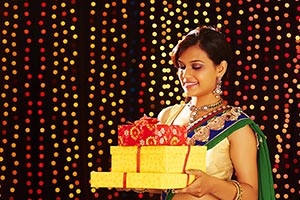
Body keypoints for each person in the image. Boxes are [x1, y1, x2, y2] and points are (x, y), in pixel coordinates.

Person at [153, 25, 276, 200]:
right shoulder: (167, 116)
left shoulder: (236, 125)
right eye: (181, 66)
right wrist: (134, 182)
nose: (185, 75)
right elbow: (168, 185)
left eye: (196, 66)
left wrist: (211, 185)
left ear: (220, 68)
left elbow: (251, 194)